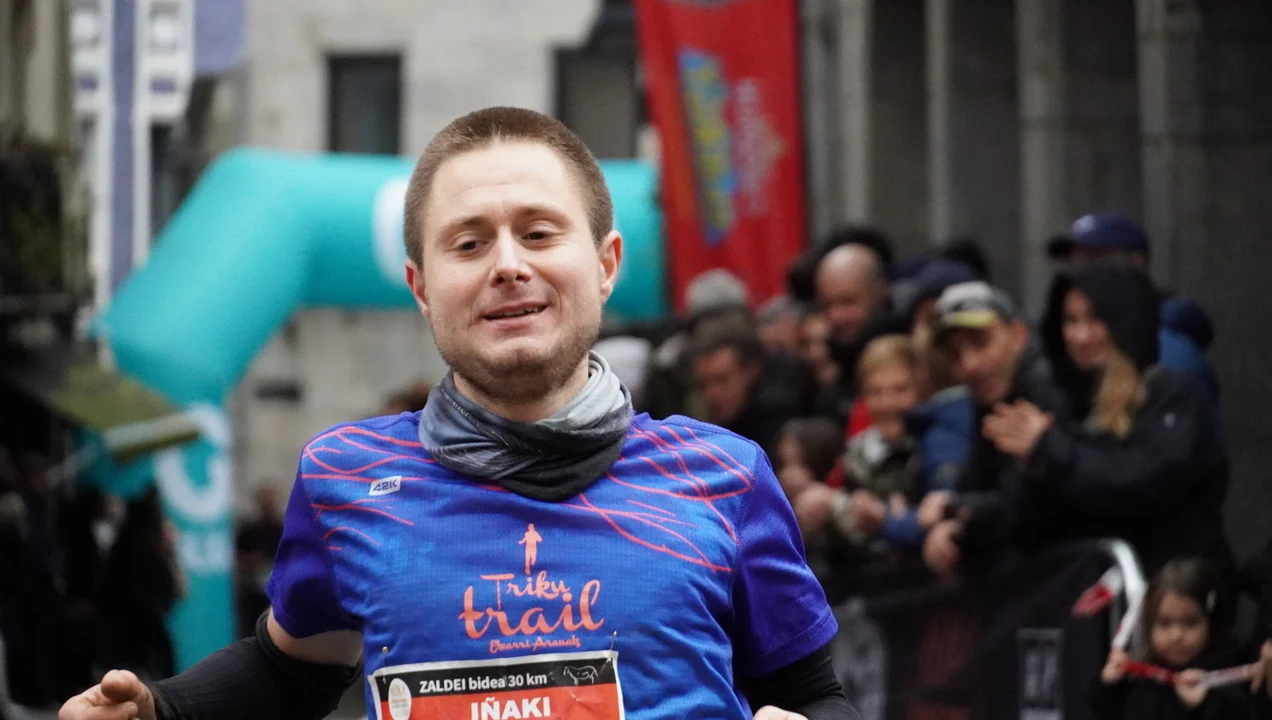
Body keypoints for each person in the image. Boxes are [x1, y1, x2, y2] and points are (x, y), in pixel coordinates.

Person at [60, 107, 852, 720]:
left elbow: (817, 693)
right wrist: (159, 709)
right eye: (468, 244)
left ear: (607, 263)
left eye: (538, 232)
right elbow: (288, 668)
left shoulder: (723, 475)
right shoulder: (346, 479)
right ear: (420, 286)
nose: (508, 265)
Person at [1003, 263, 1233, 577]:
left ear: (1127, 320)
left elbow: (1142, 481)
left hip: (1167, 587)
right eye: (1070, 321)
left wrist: (1048, 449)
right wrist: (1027, 470)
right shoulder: (1060, 401)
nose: (1081, 336)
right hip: (1087, 587)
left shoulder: (1173, 396)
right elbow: (1031, 524)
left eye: (1096, 319)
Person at [917, 282, 1070, 576]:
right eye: (955, 354)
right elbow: (978, 484)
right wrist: (954, 525)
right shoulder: (989, 399)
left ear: (1019, 335)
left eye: (980, 343)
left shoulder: (1045, 396)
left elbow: (1028, 511)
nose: (969, 364)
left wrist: (952, 508)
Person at [1047, 212, 1219, 408]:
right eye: (1071, 263)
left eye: (1092, 259)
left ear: (1136, 263)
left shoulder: (1169, 356)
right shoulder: (1070, 350)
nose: (1079, 272)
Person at [1093, 558, 1254, 719]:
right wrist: (1110, 687)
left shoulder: (1231, 676)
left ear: (1211, 623)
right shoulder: (1141, 679)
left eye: (1190, 623)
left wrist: (1204, 704)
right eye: (1164, 623)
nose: (1176, 636)